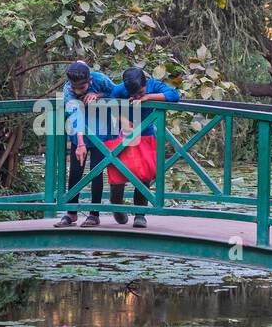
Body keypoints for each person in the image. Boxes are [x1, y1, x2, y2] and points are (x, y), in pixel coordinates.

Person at [103, 67, 180, 228]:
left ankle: (140, 214)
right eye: (133, 95)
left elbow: (174, 95)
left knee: (144, 176)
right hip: (123, 136)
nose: (137, 96)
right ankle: (116, 205)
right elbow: (108, 102)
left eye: (140, 92)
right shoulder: (120, 90)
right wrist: (122, 119)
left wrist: (148, 97)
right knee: (118, 175)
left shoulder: (153, 86)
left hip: (145, 135)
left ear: (145, 83)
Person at [54, 61, 116, 227]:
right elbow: (75, 114)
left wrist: (99, 95)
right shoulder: (68, 89)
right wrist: (80, 144)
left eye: (81, 88)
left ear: (89, 80)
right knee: (75, 171)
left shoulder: (100, 80)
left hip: (101, 130)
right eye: (75, 88)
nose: (77, 91)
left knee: (96, 171)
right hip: (79, 133)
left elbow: (117, 93)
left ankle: (94, 213)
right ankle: (71, 212)